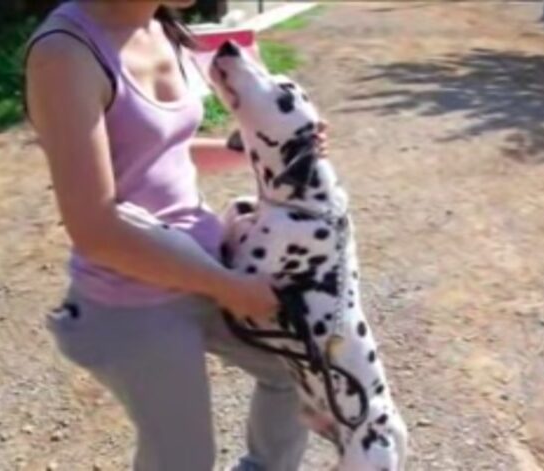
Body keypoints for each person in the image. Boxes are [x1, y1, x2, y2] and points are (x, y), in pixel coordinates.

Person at [24, 1, 328, 469]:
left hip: (206, 266)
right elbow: (95, 230)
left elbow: (157, 148)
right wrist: (229, 287)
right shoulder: (64, 55)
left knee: (298, 370)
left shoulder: (157, 23)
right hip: (132, 298)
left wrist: (265, 147)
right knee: (182, 460)